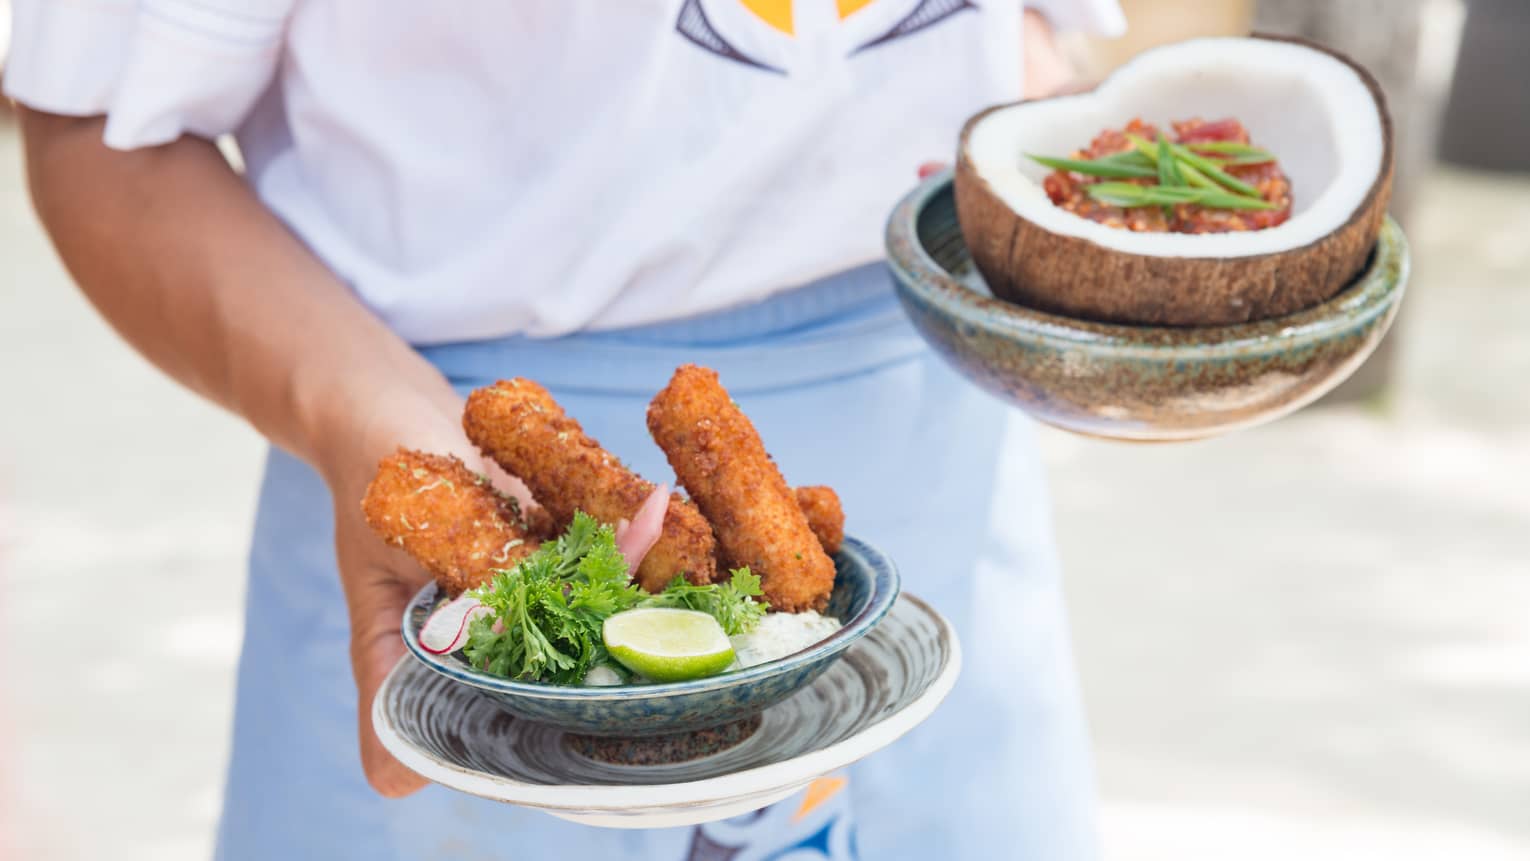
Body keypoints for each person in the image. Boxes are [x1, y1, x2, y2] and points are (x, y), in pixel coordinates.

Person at [6, 1, 1123, 857]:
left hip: (932, 508)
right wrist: (370, 426)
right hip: (447, 542)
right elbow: (99, 123)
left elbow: (1021, 44)